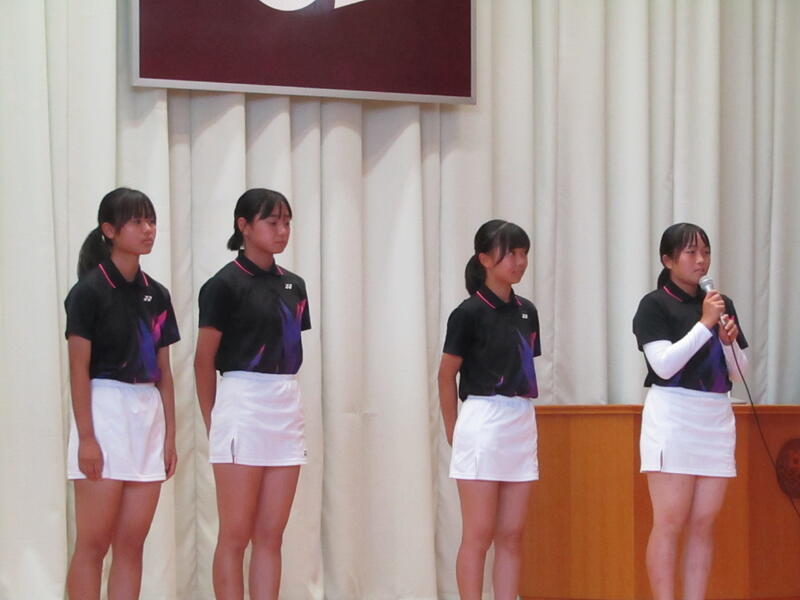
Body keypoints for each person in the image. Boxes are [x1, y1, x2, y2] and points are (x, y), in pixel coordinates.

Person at [194, 188, 311, 600]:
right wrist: (214, 421)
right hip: (241, 403)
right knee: (235, 533)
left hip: (285, 403)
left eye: (287, 223)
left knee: (271, 534)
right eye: (272, 222)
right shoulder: (223, 285)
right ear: (243, 226)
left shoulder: (294, 286)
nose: (282, 231)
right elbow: (203, 361)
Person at [65, 187, 180, 600]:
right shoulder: (88, 292)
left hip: (147, 416)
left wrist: (170, 436)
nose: (148, 230)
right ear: (110, 230)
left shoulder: (157, 295)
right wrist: (87, 437)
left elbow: (165, 373)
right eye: (137, 221)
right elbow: (78, 369)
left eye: (151, 221)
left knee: (131, 544)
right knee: (93, 543)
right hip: (105, 411)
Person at [632, 222, 748, 600]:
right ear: (668, 260)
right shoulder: (654, 305)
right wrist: (705, 324)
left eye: (705, 252)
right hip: (673, 416)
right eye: (691, 252)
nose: (701, 260)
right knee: (669, 522)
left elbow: (740, 373)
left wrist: (728, 342)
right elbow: (664, 365)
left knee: (703, 524)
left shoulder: (719, 302)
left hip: (715, 417)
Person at [438, 219, 540, 600]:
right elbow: (446, 375)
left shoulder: (527, 311)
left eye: (523, 253)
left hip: (520, 420)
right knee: (478, 534)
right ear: (484, 258)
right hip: (482, 420)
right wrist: (453, 430)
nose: (519, 261)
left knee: (512, 534)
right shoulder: (468, 313)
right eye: (511, 254)